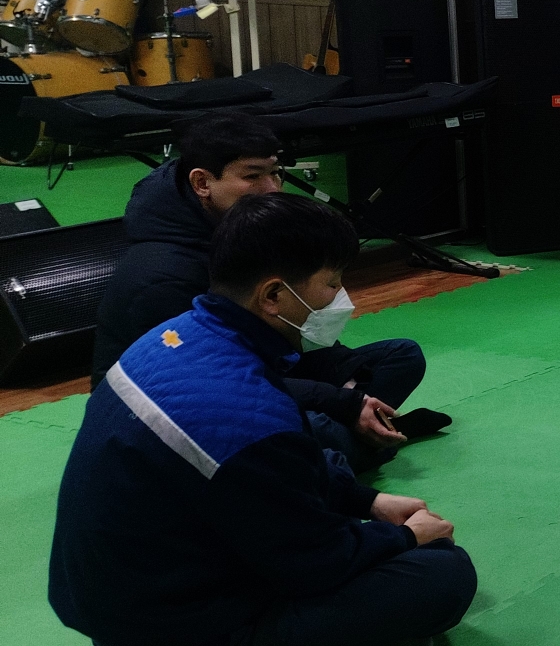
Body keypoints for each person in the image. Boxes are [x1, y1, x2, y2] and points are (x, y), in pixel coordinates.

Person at [49, 193, 477, 646]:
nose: (342, 298)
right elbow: (317, 562)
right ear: (274, 295)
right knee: (443, 571)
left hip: (122, 593)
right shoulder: (247, 418)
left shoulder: (174, 336)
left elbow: (277, 477)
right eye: (332, 283)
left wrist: (367, 501)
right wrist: (404, 538)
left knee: (321, 464)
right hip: (174, 624)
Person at [91, 112, 446, 468]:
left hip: (258, 367)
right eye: (252, 176)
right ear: (202, 183)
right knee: (321, 429)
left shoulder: (248, 227)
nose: (272, 188)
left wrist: (345, 387)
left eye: (275, 172)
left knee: (401, 356)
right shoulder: (164, 276)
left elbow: (286, 329)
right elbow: (211, 382)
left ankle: (357, 436)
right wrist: (340, 400)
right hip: (183, 405)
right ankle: (361, 440)